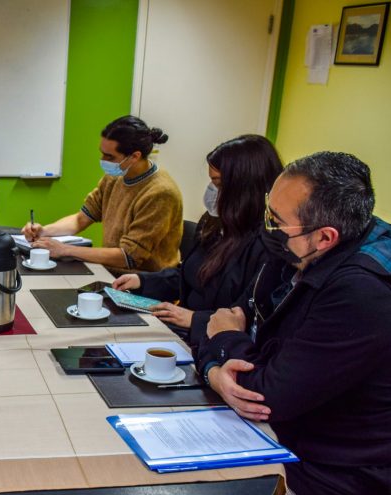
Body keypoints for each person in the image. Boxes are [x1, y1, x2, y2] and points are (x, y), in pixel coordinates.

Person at [195, 152, 391, 495]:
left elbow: (262, 394)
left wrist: (224, 343)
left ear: (325, 236)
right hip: (314, 428)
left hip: (345, 466)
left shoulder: (362, 292)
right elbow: (242, 318)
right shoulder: (325, 246)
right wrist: (216, 364)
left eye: (277, 220)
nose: (268, 227)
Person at [112, 134, 282, 343]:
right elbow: (190, 274)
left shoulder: (267, 246)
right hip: (180, 330)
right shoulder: (214, 223)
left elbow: (247, 318)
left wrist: (195, 319)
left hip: (213, 344)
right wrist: (142, 280)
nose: (212, 191)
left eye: (218, 183)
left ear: (244, 187)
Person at [21, 115, 183, 273]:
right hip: (112, 272)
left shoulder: (160, 194)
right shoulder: (115, 177)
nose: (103, 159)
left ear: (134, 156)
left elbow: (128, 256)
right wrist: (44, 231)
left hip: (144, 283)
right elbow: (81, 219)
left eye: (109, 156)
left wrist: (64, 250)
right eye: (102, 153)